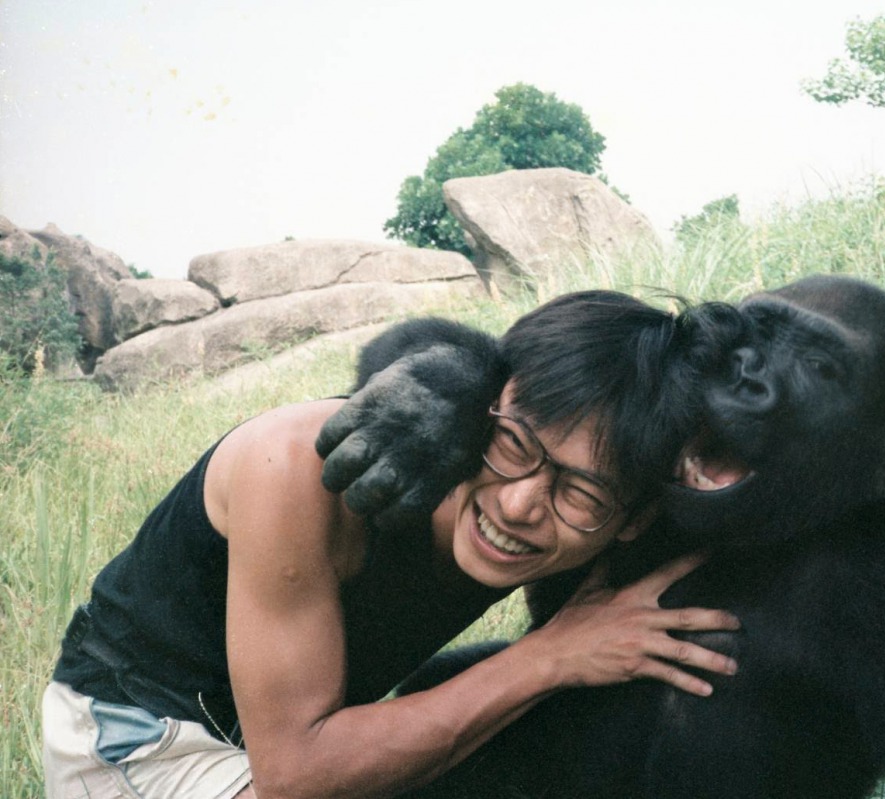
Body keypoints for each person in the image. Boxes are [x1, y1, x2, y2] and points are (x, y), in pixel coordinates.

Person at [42, 291, 741, 799]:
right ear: (487, 404)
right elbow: (297, 777)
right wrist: (552, 655)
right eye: (514, 444)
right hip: (137, 737)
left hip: (305, 736)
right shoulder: (293, 467)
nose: (521, 503)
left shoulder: (595, 524)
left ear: (631, 516)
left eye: (580, 492)